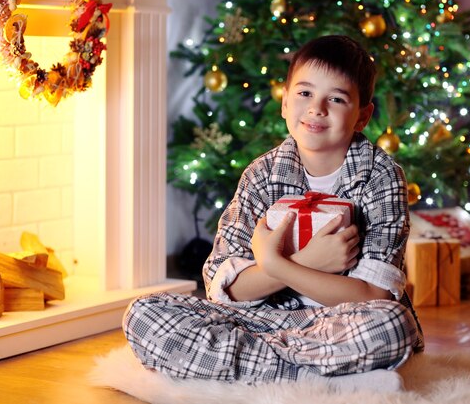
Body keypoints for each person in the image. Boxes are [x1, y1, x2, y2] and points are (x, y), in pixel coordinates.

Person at [123, 35, 424, 393]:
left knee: (392, 326)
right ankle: (316, 377)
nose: (317, 108)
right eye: (305, 93)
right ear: (284, 102)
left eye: (337, 98)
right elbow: (226, 288)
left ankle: (240, 367)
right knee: (144, 314)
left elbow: (373, 296)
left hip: (339, 324)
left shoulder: (380, 176)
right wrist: (305, 262)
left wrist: (277, 264)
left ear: (362, 116)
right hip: (258, 319)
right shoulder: (261, 175)